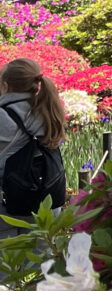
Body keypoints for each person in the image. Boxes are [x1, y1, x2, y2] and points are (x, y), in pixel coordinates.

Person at [0, 58, 67, 220]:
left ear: (5, 86)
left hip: (6, 205)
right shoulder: (47, 110)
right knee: (45, 245)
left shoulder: (2, 115)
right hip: (46, 204)